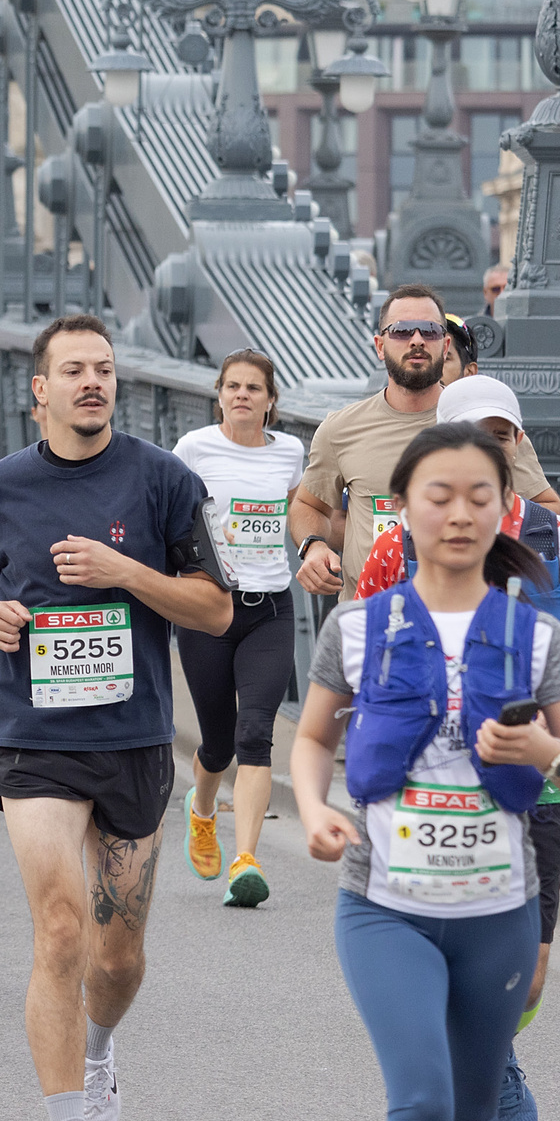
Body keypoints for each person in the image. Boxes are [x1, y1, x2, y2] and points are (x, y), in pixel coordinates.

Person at [0, 315, 232, 1121]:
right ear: (40, 389)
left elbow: (215, 608)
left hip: (133, 736)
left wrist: (126, 575)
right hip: (34, 736)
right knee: (62, 928)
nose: (92, 382)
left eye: (103, 368)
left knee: (118, 954)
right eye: (73, 370)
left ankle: (100, 1046)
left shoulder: (162, 480)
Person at [291, 422, 560, 1121]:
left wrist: (544, 756)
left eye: (479, 497)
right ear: (402, 509)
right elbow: (310, 740)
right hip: (384, 906)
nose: (459, 513)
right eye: (440, 495)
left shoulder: (539, 638)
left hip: (499, 912)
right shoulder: (358, 628)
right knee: (422, 1102)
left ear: (505, 511)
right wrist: (313, 808)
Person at [293, 284, 559, 601]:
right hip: (368, 619)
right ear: (379, 346)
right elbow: (308, 505)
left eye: (430, 331)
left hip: (466, 617)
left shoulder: (487, 425)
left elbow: (548, 510)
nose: (417, 340)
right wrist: (314, 546)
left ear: (445, 344)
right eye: (402, 331)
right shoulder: (340, 428)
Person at [170, 349, 306, 907]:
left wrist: (321, 549)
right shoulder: (193, 449)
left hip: (269, 607)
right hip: (208, 608)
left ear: (271, 401)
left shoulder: (293, 452)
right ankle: (201, 811)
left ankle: (246, 860)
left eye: (254, 388)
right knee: (219, 742)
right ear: (220, 394)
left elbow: (302, 513)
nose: (242, 395)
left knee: (255, 733)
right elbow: (169, 514)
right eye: (233, 386)